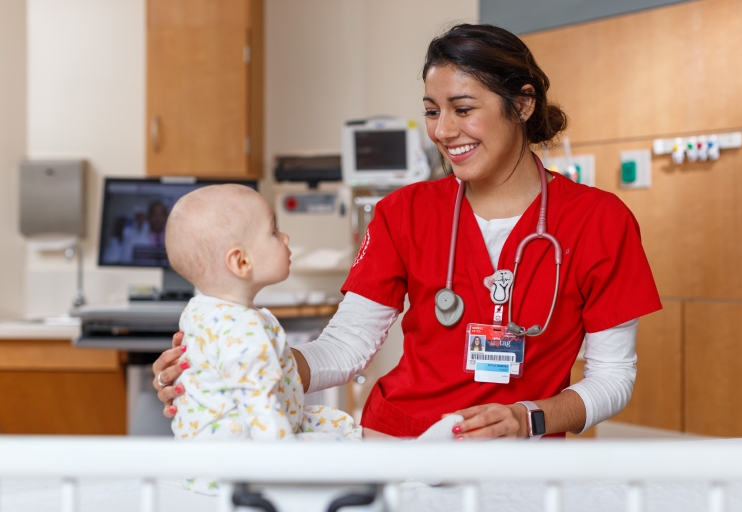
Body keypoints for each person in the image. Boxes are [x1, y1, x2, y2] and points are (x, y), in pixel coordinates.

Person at [154, 24, 661, 440]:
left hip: (516, 455)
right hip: (397, 441)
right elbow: (346, 347)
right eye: (432, 111)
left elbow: (613, 379)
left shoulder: (599, 220)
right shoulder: (404, 213)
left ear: (523, 105)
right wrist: (234, 370)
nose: (442, 130)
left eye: (463, 110)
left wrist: (530, 417)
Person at [163, 184, 361, 493]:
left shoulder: (200, 310)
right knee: (338, 447)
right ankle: (412, 462)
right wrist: (283, 462)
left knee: (337, 424)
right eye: (274, 231)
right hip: (237, 460)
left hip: (206, 458)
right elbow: (258, 401)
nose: (285, 238)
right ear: (241, 262)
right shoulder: (244, 329)